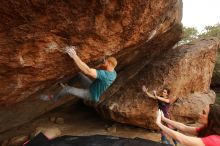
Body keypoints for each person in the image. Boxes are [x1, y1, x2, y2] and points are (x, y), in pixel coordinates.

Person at [40, 46, 117, 103]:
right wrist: (104, 62)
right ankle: (66, 84)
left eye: (106, 62)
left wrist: (74, 56)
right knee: (79, 75)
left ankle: (53, 98)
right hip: (92, 87)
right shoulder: (114, 73)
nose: (104, 63)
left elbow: (88, 71)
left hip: (90, 94)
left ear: (110, 64)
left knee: (67, 89)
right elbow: (106, 69)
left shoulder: (106, 75)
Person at [156, 104, 220, 146]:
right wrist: (164, 119)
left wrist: (159, 124)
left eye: (204, 113)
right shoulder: (206, 129)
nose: (199, 113)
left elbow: (183, 139)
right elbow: (184, 127)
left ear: (212, 119)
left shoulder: (214, 140)